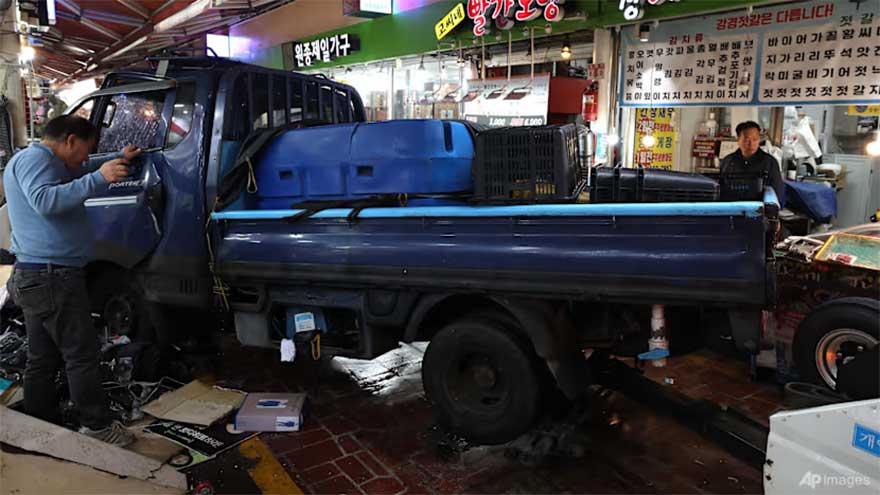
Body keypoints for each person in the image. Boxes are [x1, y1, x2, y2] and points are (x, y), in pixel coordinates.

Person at [3, 115, 140, 446]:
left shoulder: (38, 160)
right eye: (84, 150)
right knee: (81, 354)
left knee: (43, 357)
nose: (84, 159)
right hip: (53, 278)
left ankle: (40, 422)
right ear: (69, 140)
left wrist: (116, 160)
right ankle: (98, 427)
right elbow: (46, 202)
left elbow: (77, 174)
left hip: (39, 275)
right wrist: (98, 179)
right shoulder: (38, 159)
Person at [719, 121, 785, 204]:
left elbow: (777, 193)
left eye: (755, 139)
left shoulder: (769, 162)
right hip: (731, 209)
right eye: (747, 140)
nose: (751, 144)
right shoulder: (727, 161)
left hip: (759, 211)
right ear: (738, 139)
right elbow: (721, 190)